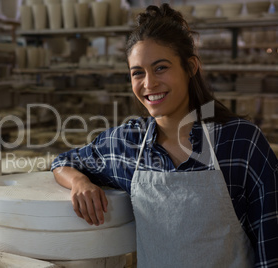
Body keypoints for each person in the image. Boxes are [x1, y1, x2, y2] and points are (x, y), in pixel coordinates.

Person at [51, 3, 278, 268]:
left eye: (161, 68)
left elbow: (271, 248)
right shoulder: (127, 145)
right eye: (138, 73)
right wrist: (80, 182)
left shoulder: (241, 142)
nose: (149, 84)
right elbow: (63, 162)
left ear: (191, 66)